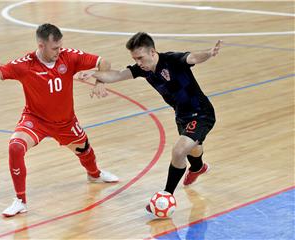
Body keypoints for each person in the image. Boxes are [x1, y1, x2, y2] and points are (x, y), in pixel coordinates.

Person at [0, 23, 119, 217]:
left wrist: (100, 81)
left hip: (65, 122)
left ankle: (95, 175)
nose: (59, 51)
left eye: (60, 46)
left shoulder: (68, 56)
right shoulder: (24, 65)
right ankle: (20, 201)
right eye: (54, 48)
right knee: (15, 146)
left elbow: (104, 62)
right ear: (41, 46)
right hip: (36, 120)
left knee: (85, 151)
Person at [79, 32, 221, 214]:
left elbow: (193, 57)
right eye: (134, 58)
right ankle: (198, 167)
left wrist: (209, 53)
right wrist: (92, 74)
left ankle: (166, 195)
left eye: (140, 57)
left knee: (179, 151)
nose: (138, 62)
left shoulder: (172, 60)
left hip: (201, 113)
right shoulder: (143, 69)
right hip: (182, 115)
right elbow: (116, 75)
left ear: (152, 52)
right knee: (193, 148)